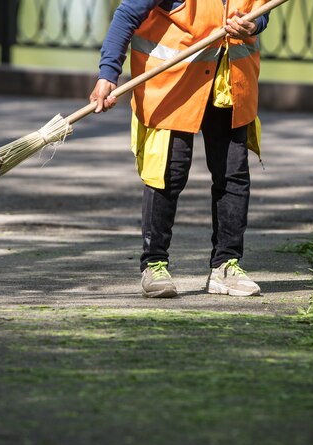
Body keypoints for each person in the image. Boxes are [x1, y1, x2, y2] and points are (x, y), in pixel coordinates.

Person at [90, 0, 270, 298]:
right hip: (172, 87)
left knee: (233, 174)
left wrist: (255, 24)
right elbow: (127, 15)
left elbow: (263, 10)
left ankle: (226, 265)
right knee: (168, 174)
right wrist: (108, 74)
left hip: (230, 83)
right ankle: (154, 265)